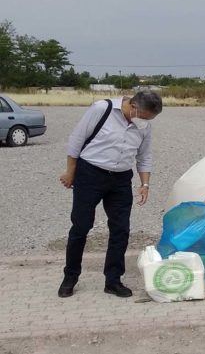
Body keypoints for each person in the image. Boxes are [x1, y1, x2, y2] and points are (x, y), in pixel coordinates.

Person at [57, 91, 163, 298]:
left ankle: (113, 280)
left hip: (121, 179)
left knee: (120, 229)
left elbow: (144, 156)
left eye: (150, 120)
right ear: (133, 106)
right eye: (145, 117)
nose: (146, 122)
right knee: (81, 226)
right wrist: (70, 172)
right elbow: (76, 141)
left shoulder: (144, 126)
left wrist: (145, 184)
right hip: (90, 174)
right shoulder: (101, 109)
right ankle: (70, 277)